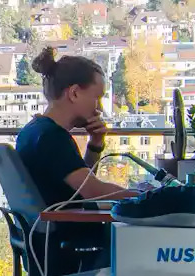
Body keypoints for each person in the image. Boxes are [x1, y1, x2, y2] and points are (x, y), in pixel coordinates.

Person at [15, 49, 137, 207]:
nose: (99, 108)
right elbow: (93, 191)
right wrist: (148, 197)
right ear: (74, 93)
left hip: (56, 221)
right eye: (97, 98)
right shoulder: (53, 138)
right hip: (69, 223)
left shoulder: (34, 130)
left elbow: (82, 185)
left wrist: (95, 145)